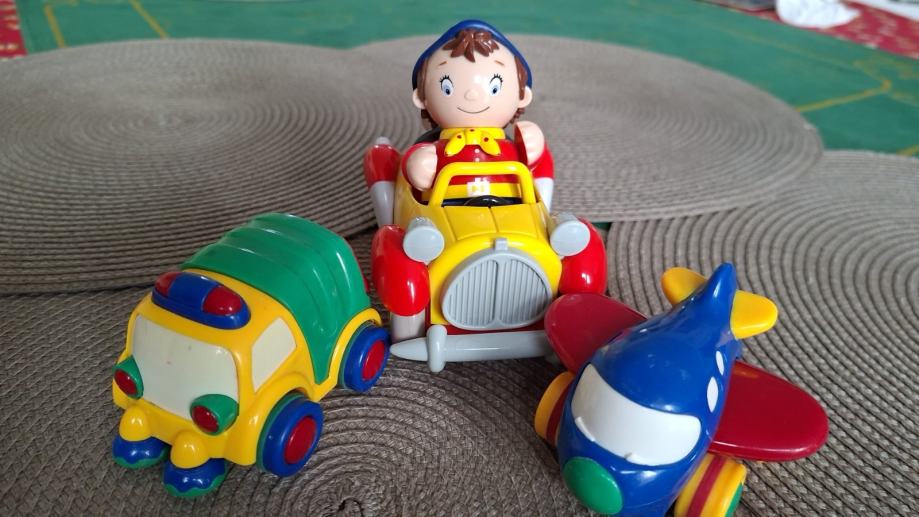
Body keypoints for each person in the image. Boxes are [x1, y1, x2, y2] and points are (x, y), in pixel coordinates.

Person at [403, 20, 555, 209]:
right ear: (420, 97)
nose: (472, 95)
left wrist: (534, 149)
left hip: (511, 208)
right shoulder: (432, 147)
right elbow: (410, 172)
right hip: (444, 210)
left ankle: (543, 215)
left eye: (494, 87)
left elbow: (535, 168)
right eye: (447, 88)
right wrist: (418, 165)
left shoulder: (509, 147)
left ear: (523, 96)